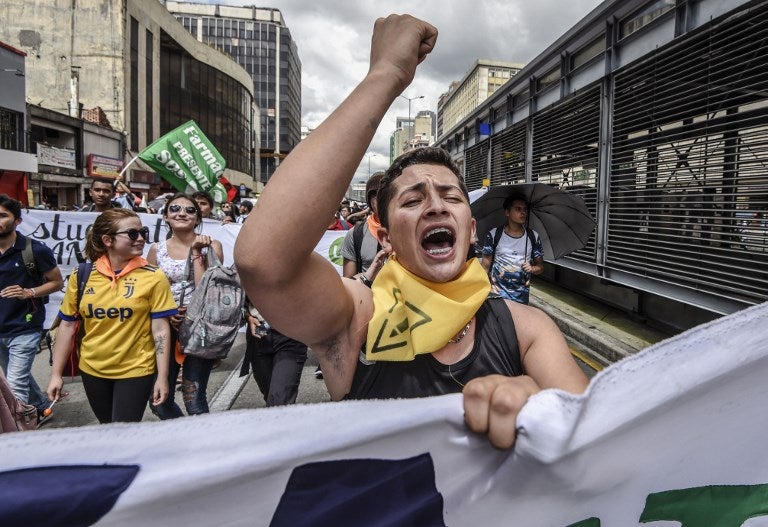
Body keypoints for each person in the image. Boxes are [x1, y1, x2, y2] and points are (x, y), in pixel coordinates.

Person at [234, 14, 588, 450]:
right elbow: (264, 262)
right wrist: (386, 75)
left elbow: (595, 438)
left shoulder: (528, 329)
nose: (436, 205)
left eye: (451, 197)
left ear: (471, 230)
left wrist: (545, 408)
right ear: (385, 238)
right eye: (413, 199)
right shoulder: (357, 318)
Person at [47, 208, 176, 423]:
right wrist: (55, 375)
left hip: (136, 370)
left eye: (143, 231)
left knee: (122, 432)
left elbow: (161, 330)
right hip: (92, 370)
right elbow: (67, 326)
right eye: (133, 234)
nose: (141, 238)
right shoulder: (82, 275)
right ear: (108, 240)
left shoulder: (154, 276)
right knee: (108, 429)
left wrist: (162, 377)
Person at [147, 193, 224, 418]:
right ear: (165, 217)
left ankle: (204, 448)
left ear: (198, 219)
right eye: (175, 209)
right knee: (159, 402)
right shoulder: (156, 250)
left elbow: (208, 288)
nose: (182, 213)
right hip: (166, 329)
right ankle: (185, 436)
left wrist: (197, 253)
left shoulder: (212, 245)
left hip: (201, 329)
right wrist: (168, 313)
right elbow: (150, 290)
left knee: (194, 400)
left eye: (190, 210)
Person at [0, 195, 64, 424]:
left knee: (14, 385)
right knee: (17, 376)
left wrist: (29, 292)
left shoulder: (34, 250)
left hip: (25, 327)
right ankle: (42, 406)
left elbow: (57, 282)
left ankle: (18, 433)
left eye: (3, 215)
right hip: (1, 329)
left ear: (17, 220)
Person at [240, 298, 308, 406]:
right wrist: (248, 316)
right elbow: (236, 297)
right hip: (258, 335)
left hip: (290, 336)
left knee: (279, 400)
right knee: (270, 396)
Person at [480, 194, 544, 305]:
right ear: (507, 212)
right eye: (518, 209)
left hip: (521, 299)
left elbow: (541, 267)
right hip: (496, 297)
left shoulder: (533, 236)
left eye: (525, 209)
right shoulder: (494, 235)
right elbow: (485, 268)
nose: (523, 212)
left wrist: (533, 268)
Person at [341, 171, 385, 278]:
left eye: (385, 193)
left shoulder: (409, 231)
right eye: (374, 194)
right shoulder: (356, 234)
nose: (380, 198)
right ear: (369, 200)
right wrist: (368, 277)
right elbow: (349, 283)